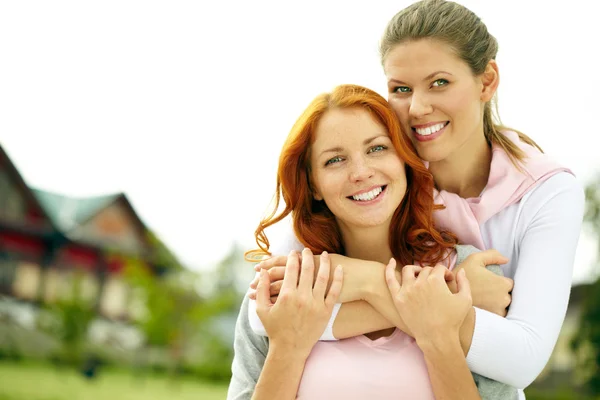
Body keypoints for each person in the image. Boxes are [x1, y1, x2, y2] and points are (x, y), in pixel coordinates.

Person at [248, 0, 585, 398]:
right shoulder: (377, 180)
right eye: (401, 89)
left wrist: (370, 281)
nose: (419, 108)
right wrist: (455, 294)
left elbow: (523, 359)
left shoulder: (545, 192)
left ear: (487, 80)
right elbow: (266, 314)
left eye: (439, 82)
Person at [228, 83, 516, 400]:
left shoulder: (467, 273)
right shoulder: (282, 288)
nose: (361, 172)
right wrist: (289, 347)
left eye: (377, 148)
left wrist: (437, 335)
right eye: (334, 160)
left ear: (405, 160)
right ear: (313, 185)